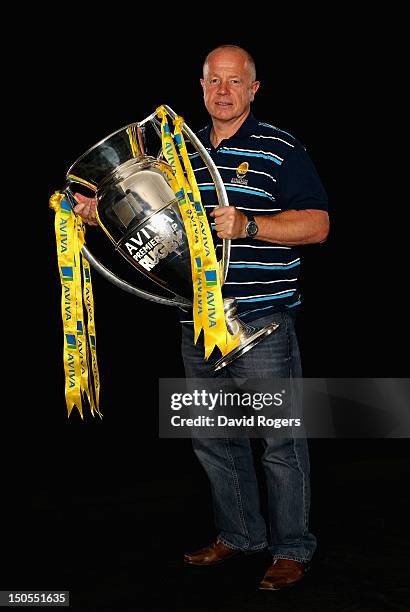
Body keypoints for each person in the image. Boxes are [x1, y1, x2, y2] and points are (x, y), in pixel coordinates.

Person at [74, 44, 329, 591]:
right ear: (201, 85)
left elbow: (318, 225)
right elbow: (151, 226)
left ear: (253, 89)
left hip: (262, 323)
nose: (223, 90)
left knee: (280, 441)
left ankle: (291, 549)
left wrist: (250, 227)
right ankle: (239, 536)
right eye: (214, 80)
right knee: (213, 437)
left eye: (234, 82)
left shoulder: (280, 146)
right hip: (195, 323)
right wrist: (101, 215)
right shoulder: (175, 156)